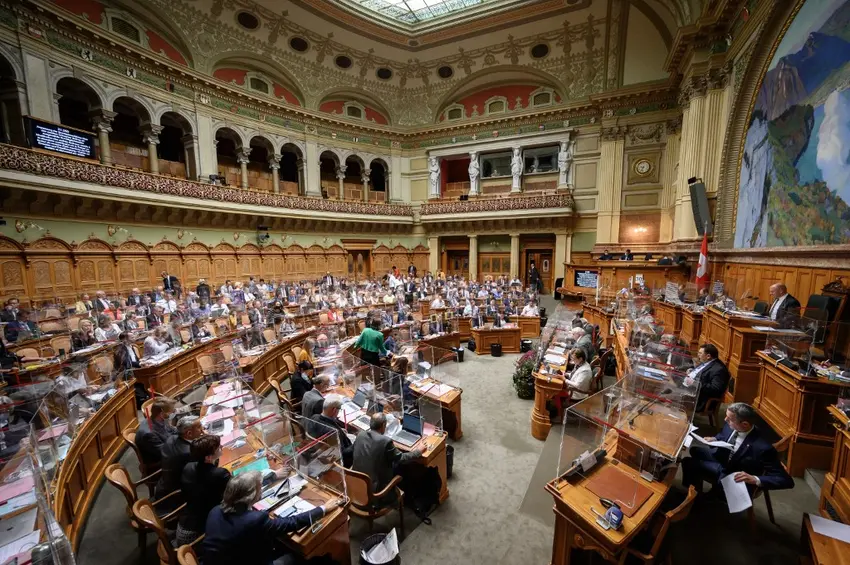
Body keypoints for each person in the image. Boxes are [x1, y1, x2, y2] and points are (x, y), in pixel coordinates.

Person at [202, 471, 342, 565]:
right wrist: (323, 509)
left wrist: (273, 476)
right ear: (251, 495)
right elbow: (292, 522)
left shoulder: (215, 510)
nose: (261, 491)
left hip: (219, 560)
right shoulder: (256, 520)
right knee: (298, 554)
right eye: (259, 488)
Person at [681, 403, 794, 495]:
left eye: (729, 419)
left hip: (732, 471)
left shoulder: (763, 447)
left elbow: (786, 480)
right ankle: (697, 489)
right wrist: (715, 438)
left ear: (745, 424)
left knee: (688, 462)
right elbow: (723, 435)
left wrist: (755, 479)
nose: (725, 420)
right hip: (724, 456)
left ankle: (698, 496)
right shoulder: (732, 424)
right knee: (694, 450)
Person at [176, 434, 231, 546]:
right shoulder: (220, 474)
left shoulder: (188, 467)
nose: (221, 446)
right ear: (208, 457)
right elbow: (237, 492)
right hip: (197, 538)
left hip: (184, 525)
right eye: (218, 448)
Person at [353, 413, 423, 498]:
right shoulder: (385, 441)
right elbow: (401, 458)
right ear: (383, 425)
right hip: (376, 490)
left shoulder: (360, 435)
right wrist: (418, 451)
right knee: (403, 466)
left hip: (357, 483)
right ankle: (409, 496)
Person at [155, 416, 203, 502]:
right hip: (176, 494)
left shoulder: (172, 438)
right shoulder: (189, 453)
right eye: (199, 427)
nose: (202, 429)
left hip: (164, 484)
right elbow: (203, 469)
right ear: (189, 433)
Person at [307, 395, 353, 467]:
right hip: (338, 461)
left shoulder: (314, 417)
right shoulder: (333, 432)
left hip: (319, 452)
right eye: (339, 409)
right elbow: (343, 454)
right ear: (334, 410)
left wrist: (340, 430)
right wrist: (356, 444)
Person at [685, 343, 730, 412]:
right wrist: (692, 371)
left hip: (700, 399)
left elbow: (715, 389)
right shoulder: (707, 361)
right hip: (689, 389)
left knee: (672, 396)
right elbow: (701, 372)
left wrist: (696, 383)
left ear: (708, 356)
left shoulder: (719, 370)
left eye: (700, 353)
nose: (698, 355)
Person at [135, 397, 177, 467]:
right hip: (158, 460)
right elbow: (164, 452)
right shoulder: (149, 434)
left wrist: (183, 431)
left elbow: (171, 429)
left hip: (167, 444)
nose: (173, 413)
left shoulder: (158, 419)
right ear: (161, 413)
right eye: (171, 412)